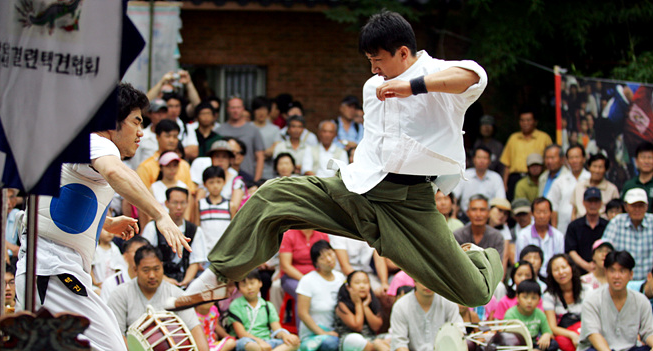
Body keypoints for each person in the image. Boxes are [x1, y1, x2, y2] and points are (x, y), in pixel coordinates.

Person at [175, 11, 502, 313]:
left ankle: (477, 256)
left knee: (475, 292)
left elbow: (475, 75)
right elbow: (375, 146)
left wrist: (412, 87)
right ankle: (216, 277)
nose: (374, 69)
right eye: (369, 60)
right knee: (272, 195)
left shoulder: (436, 74)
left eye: (379, 60)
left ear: (403, 53)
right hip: (362, 189)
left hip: (410, 205)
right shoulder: (373, 86)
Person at [16, 83, 190, 351]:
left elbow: (64, 199)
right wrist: (161, 213)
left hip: (56, 268)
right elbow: (113, 172)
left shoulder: (82, 146)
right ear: (113, 122)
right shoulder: (95, 141)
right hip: (49, 269)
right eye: (137, 121)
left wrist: (105, 222)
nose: (141, 132)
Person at [107, 245, 211, 351]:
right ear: (135, 270)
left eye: (156, 269)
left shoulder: (176, 293)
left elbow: (194, 327)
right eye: (146, 270)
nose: (152, 275)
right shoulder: (120, 294)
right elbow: (117, 334)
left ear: (162, 267)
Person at [575, 250, 653, 351]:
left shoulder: (641, 301)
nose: (617, 276)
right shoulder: (592, 299)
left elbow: (648, 332)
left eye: (622, 271)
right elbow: (593, 334)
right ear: (606, 273)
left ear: (631, 274)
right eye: (612, 271)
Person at [381, 280, 463, 351]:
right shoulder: (401, 305)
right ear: (415, 280)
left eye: (431, 279)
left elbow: (459, 332)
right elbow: (399, 342)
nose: (427, 284)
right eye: (423, 279)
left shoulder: (448, 302)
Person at [228, 270, 301, 351]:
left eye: (252, 283)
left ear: (260, 283)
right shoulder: (235, 305)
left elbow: (276, 329)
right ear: (239, 289)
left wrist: (286, 336)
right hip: (249, 341)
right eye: (244, 285)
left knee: (294, 343)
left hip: (268, 342)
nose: (249, 288)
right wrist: (260, 342)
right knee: (247, 345)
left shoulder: (267, 305)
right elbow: (241, 333)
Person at [141, 187, 206, 287]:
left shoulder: (195, 230)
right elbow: (144, 256)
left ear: (188, 203)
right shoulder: (152, 227)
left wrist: (184, 282)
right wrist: (164, 279)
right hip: (157, 281)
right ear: (167, 203)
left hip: (185, 282)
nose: (179, 207)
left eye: (183, 203)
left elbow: (195, 262)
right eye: (175, 203)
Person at [296, 240, 346, 351]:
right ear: (316, 263)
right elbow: (303, 313)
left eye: (330, 254)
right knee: (331, 344)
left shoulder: (340, 278)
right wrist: (323, 333)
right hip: (314, 335)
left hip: (336, 332)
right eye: (323, 258)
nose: (329, 259)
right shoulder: (307, 280)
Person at [542, 254, 592, 351]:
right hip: (565, 337)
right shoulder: (549, 296)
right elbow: (552, 327)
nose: (561, 272)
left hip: (585, 334)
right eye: (556, 269)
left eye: (564, 267)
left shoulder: (587, 290)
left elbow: (592, 320)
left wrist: (580, 335)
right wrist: (572, 335)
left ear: (571, 268)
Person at [500, 107, 553, 199]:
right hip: (515, 178)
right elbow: (507, 165)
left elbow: (550, 161)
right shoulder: (513, 138)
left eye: (528, 120)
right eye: (522, 120)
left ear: (535, 122)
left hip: (536, 178)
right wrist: (504, 184)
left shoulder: (544, 138)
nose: (525, 123)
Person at [504, 280, 558, 351]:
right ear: (517, 297)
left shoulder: (539, 313)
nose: (529, 301)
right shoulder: (510, 314)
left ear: (539, 300)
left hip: (533, 346)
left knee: (553, 344)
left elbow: (549, 333)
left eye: (534, 298)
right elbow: (507, 339)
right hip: (517, 347)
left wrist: (546, 335)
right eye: (525, 297)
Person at [334, 270, 387, 351]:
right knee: (354, 339)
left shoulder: (372, 302)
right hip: (350, 341)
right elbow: (357, 326)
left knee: (391, 337)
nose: (362, 286)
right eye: (357, 283)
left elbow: (376, 327)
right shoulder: (342, 305)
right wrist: (358, 304)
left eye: (365, 282)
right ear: (348, 287)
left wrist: (365, 306)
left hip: (372, 339)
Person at [602, 188, 653, 281]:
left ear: (647, 207)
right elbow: (605, 251)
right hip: (621, 281)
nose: (637, 209)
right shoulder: (616, 222)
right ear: (625, 207)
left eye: (641, 206)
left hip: (649, 282)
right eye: (633, 206)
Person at [217, 96, 265, 181]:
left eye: (238, 107)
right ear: (228, 109)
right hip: (223, 178)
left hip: (248, 176)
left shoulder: (253, 130)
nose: (236, 111)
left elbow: (260, 156)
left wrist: (256, 180)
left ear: (243, 109)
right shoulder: (220, 130)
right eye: (233, 108)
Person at [514, 197, 564, 276]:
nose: (542, 216)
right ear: (532, 214)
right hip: (530, 276)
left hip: (552, 277)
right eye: (538, 212)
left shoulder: (558, 236)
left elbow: (560, 261)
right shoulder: (523, 235)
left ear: (551, 213)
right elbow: (518, 262)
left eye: (545, 212)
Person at [547, 144, 590, 234]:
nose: (574, 161)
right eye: (571, 158)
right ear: (566, 161)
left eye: (577, 157)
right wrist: (554, 231)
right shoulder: (559, 181)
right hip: (563, 229)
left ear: (584, 159)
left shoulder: (590, 179)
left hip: (587, 227)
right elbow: (553, 207)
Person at [453, 195, 506, 268]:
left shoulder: (496, 237)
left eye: (482, 210)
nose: (478, 214)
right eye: (474, 209)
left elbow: (498, 267)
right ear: (468, 212)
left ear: (488, 213)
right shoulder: (458, 235)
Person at [565, 187, 608, 274]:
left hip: (603, 271)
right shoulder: (574, 226)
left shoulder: (607, 225)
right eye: (589, 201)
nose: (593, 205)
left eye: (596, 201)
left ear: (601, 203)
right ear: (584, 203)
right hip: (579, 272)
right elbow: (571, 250)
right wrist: (586, 266)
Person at [453, 145, 505, 214]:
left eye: (485, 158)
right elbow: (454, 196)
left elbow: (501, 201)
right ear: (473, 159)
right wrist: (453, 214)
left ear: (489, 161)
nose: (481, 161)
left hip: (489, 216)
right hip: (465, 215)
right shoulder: (464, 175)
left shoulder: (496, 178)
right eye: (479, 157)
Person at [100, 236, 149, 304]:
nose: (141, 256)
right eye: (137, 252)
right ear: (125, 256)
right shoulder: (111, 283)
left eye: (145, 253)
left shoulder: (154, 281)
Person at [196, 166, 232, 257]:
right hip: (205, 253)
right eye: (211, 182)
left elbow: (233, 230)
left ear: (224, 182)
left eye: (218, 182)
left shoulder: (230, 205)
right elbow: (197, 229)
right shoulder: (200, 205)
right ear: (204, 184)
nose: (215, 186)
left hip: (225, 253)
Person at [570, 153, 619, 220]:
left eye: (600, 167)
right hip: (580, 226)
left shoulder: (612, 189)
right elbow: (574, 211)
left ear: (606, 169)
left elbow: (616, 212)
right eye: (594, 166)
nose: (597, 170)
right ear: (589, 167)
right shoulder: (579, 186)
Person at [250, 96, 283, 179]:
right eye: (258, 109)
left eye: (264, 109)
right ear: (254, 111)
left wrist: (260, 155)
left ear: (268, 111)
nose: (261, 112)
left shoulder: (274, 129)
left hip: (269, 172)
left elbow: (275, 148)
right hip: (249, 170)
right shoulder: (248, 128)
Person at [621, 141, 653, 212]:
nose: (646, 161)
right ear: (636, 161)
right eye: (643, 157)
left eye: (650, 158)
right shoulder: (629, 185)